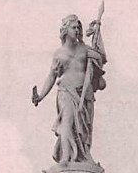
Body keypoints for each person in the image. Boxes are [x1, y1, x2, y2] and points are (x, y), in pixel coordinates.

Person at [32, 13, 107, 165]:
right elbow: (52, 77)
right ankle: (65, 156)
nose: (77, 30)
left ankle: (84, 155)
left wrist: (98, 34)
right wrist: (40, 96)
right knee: (66, 122)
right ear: (65, 30)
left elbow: (102, 58)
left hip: (84, 93)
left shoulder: (85, 49)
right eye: (74, 28)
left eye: (78, 28)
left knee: (84, 128)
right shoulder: (59, 54)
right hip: (66, 91)